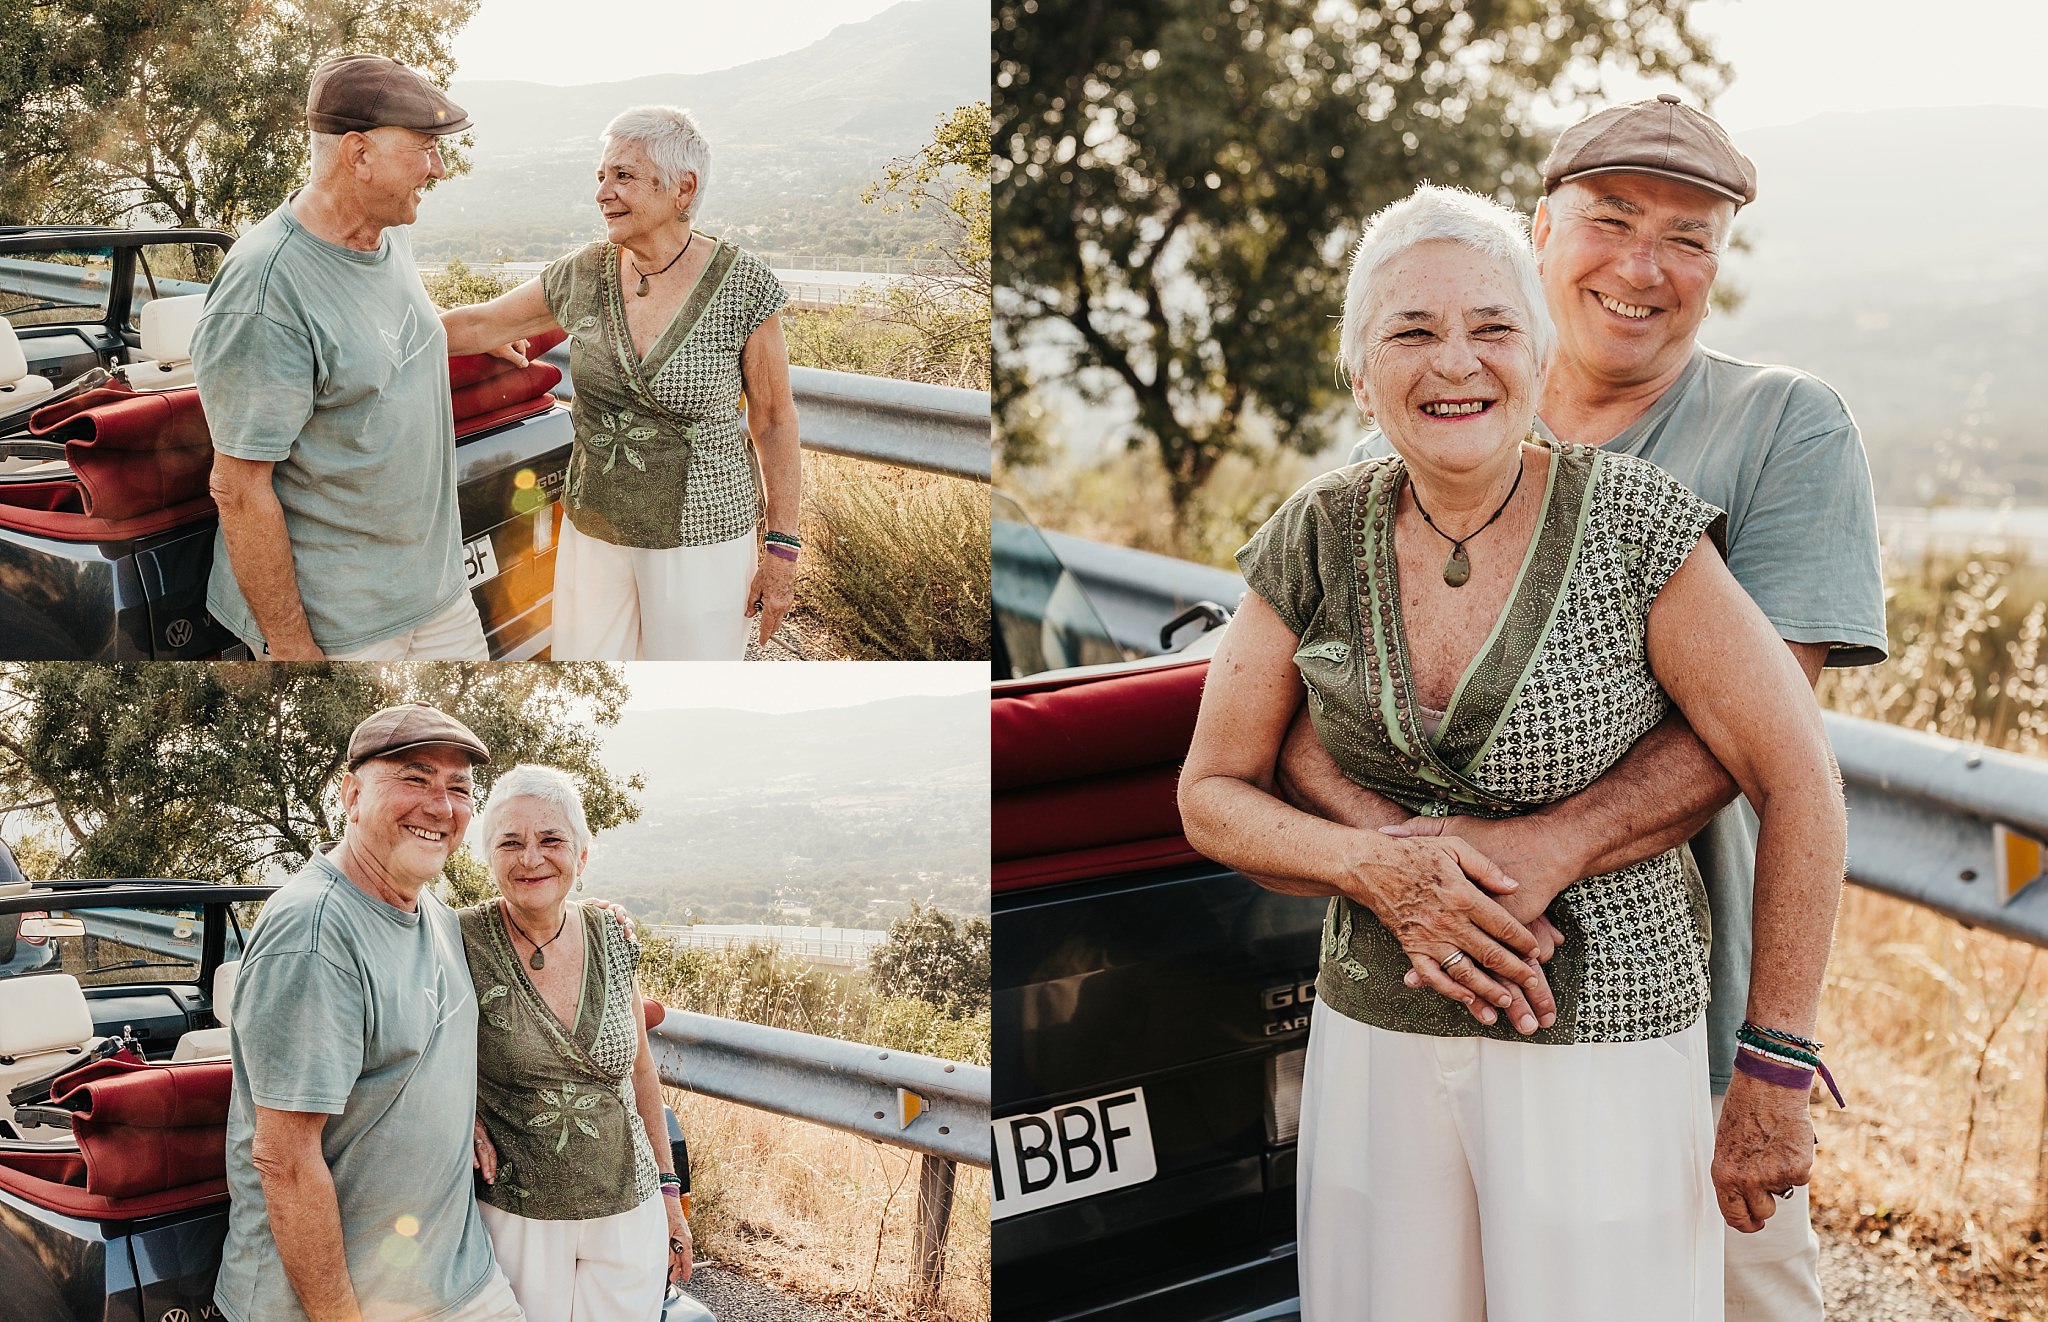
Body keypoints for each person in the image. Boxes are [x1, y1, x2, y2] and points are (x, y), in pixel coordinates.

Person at [1177, 183, 1848, 1320]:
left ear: (1535, 361)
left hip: (1605, 1051)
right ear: (1358, 375)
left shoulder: (1638, 525)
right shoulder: (1313, 532)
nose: (1456, 363)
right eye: (1410, 330)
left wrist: (1774, 1067)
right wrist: (1373, 866)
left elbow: (1801, 784)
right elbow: (1212, 790)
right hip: (1373, 1043)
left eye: (1491, 328)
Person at [441, 105, 801, 660]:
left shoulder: (743, 285)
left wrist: (781, 547)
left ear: (682, 189)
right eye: (600, 176)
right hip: (594, 532)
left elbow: (775, 421)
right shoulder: (583, 272)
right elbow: (479, 323)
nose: (603, 192)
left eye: (623, 176)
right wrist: (346, 336)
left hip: (702, 540)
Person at [216, 703, 526, 1322]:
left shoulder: (432, 911)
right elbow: (284, 1161)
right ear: (351, 795)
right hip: (335, 1304)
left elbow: (412, 1041)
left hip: (458, 1280)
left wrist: (448, 1111)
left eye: (458, 788)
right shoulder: (313, 933)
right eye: (414, 778)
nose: (440, 806)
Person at [193, 55, 489, 662]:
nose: (438, 168)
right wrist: (295, 647)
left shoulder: (389, 231)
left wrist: (458, 334)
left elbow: (383, 341)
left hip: (438, 596)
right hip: (343, 625)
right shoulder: (265, 287)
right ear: (359, 155)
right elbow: (240, 488)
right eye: (426, 147)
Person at [460, 764, 691, 1319]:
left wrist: (670, 1196)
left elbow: (641, 1073)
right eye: (510, 842)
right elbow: (415, 1050)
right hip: (517, 1215)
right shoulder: (456, 940)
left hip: (628, 1208)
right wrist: (460, 1116)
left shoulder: (613, 934)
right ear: (489, 858)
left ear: (581, 857)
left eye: (551, 840)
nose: (531, 857)